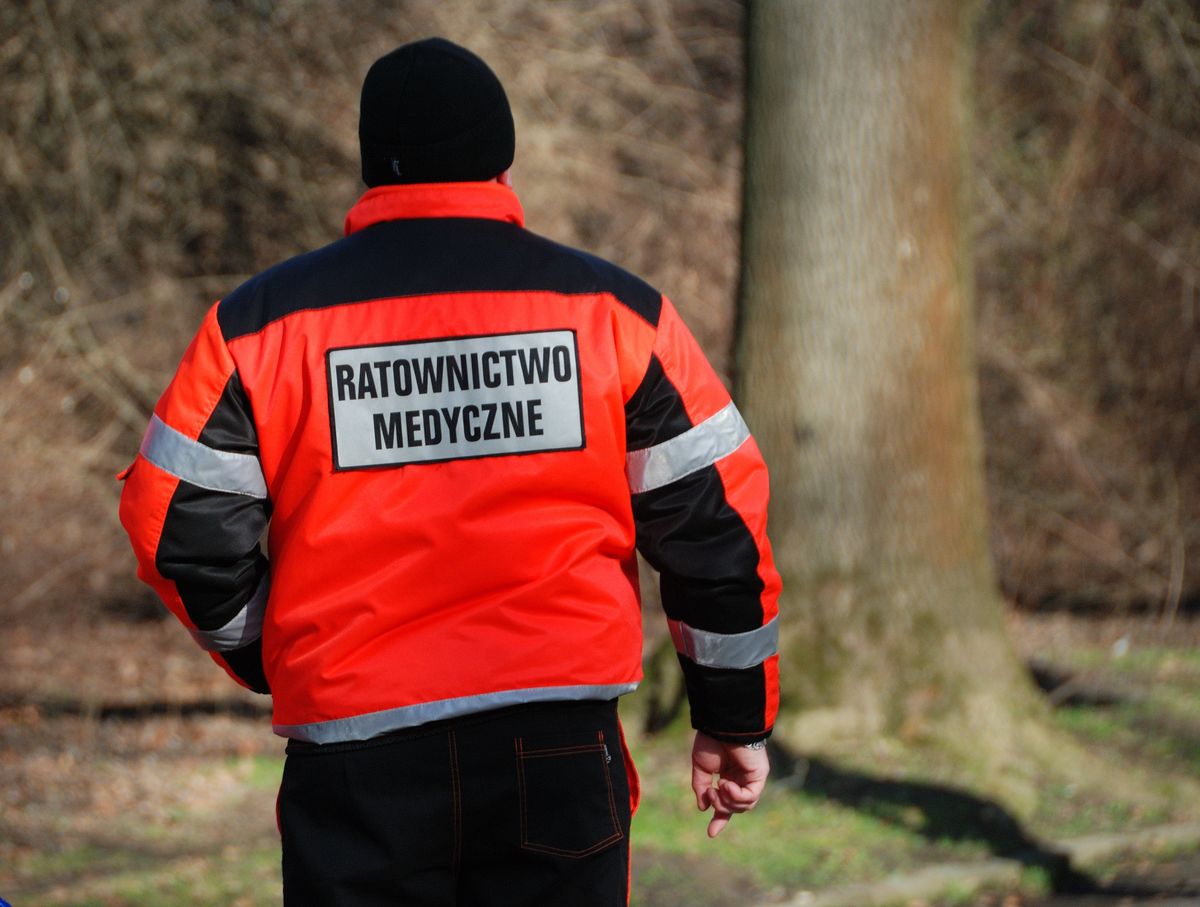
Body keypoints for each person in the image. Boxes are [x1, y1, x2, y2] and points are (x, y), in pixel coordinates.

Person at [118, 36, 780, 906]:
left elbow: (175, 525)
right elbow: (714, 522)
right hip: (557, 747)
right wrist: (733, 716)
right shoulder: (616, 313)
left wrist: (285, 652)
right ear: (501, 156)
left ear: (370, 166)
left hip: (357, 756)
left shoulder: (258, 327)